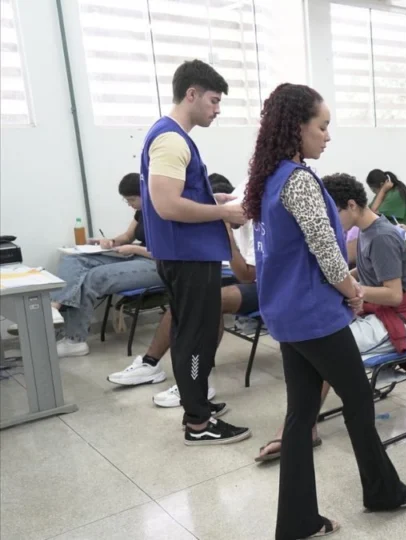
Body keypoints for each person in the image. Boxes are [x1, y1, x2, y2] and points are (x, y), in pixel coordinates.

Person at [243, 83, 406, 539]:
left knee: (301, 415)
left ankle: (298, 521)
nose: (327, 135)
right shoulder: (299, 180)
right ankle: (382, 492)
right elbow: (326, 250)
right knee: (358, 401)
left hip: (286, 315)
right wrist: (353, 292)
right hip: (314, 314)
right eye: (322, 126)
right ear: (297, 127)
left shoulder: (269, 179)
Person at [255, 172, 406, 463]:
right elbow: (364, 271)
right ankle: (304, 425)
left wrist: (354, 290)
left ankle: (300, 427)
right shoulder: (364, 232)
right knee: (321, 346)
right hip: (376, 315)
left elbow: (394, 295)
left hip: (399, 321)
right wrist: (344, 280)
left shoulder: (382, 236)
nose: (329, 221)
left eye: (332, 213)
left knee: (328, 350)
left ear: (351, 205)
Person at [139, 59, 249, 445]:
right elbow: (167, 205)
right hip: (187, 255)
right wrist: (223, 213)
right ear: (191, 94)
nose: (217, 110)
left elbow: (177, 196)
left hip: (185, 253)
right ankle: (198, 423)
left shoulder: (172, 137)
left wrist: (212, 199)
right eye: (214, 100)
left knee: (191, 332)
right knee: (195, 337)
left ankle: (198, 404)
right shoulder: (171, 140)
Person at [107, 176, 248, 409]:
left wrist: (227, 237)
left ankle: (198, 381)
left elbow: (247, 275)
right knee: (187, 302)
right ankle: (153, 364)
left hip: (255, 282)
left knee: (206, 302)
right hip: (221, 271)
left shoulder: (246, 224)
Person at [50, 173, 164, 358]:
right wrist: (111, 241)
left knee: (93, 277)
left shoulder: (165, 213)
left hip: (158, 265)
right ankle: (54, 307)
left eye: (132, 199)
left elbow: (166, 253)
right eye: (126, 200)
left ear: (146, 193)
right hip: (137, 256)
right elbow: (127, 237)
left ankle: (75, 341)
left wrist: (133, 249)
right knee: (73, 259)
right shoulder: (141, 212)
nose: (129, 204)